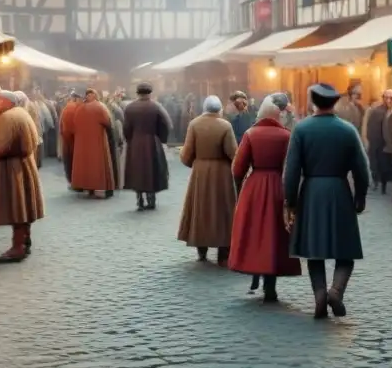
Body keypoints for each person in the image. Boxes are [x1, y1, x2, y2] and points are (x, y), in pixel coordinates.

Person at [284, 83, 369, 319]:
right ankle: (336, 291)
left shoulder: (301, 129)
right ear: (334, 103)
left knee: (315, 252)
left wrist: (290, 202)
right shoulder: (348, 129)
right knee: (346, 252)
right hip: (339, 191)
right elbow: (362, 169)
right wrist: (360, 195)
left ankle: (320, 295)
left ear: (313, 102)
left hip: (311, 192)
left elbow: (291, 172)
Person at [229, 96, 301, 303]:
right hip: (279, 185)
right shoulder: (286, 135)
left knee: (254, 231)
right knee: (275, 235)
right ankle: (271, 285)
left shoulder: (251, 134)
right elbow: (292, 166)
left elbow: (238, 168)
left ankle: (255, 271)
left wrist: (239, 186)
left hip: (255, 186)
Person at [178, 95, 238, 265]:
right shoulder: (225, 126)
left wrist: (196, 165)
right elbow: (233, 153)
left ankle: (202, 250)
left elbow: (186, 154)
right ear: (219, 109)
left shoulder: (195, 124)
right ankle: (223, 252)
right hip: (222, 173)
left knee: (200, 209)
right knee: (223, 210)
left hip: (201, 171)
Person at [0, 90, 45, 263]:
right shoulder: (22, 113)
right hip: (24, 164)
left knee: (17, 206)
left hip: (12, 168)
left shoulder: (7, 117)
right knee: (23, 206)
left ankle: (17, 247)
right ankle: (24, 241)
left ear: (4, 102)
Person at [122, 82, 171, 211]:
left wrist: (130, 139)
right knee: (152, 170)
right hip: (152, 141)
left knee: (137, 171)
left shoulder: (130, 108)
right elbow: (166, 124)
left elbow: (126, 128)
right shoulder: (156, 107)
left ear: (138, 93)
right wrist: (161, 138)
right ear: (150, 93)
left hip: (136, 141)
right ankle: (151, 198)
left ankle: (139, 199)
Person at [66, 88, 117, 198]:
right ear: (95, 95)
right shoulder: (100, 107)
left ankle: (88, 188)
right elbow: (108, 122)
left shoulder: (79, 109)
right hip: (97, 142)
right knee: (98, 164)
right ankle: (101, 187)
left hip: (82, 144)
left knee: (85, 165)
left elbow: (74, 124)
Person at [364, 89, 392, 194]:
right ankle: (379, 183)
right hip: (380, 145)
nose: (388, 100)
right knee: (381, 167)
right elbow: (372, 130)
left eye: (391, 98)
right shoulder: (377, 111)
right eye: (386, 98)